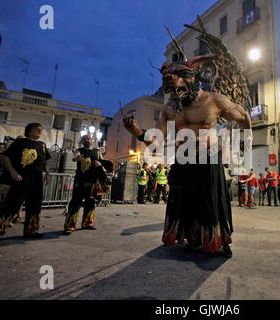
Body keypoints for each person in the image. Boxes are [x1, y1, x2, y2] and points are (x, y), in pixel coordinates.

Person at [123, 54, 251, 258]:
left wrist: (243, 139)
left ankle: (218, 241)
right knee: (184, 202)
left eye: (179, 87)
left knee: (212, 203)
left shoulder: (214, 100)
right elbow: (156, 142)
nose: (176, 94)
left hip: (209, 159)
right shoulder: (170, 110)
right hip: (184, 159)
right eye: (172, 90)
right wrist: (136, 131)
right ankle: (191, 239)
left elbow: (243, 116)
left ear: (193, 79)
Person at [0, 123, 51, 247]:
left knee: (35, 206)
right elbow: (4, 157)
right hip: (21, 179)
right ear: (29, 131)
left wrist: (47, 173)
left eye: (41, 129)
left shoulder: (42, 145)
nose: (40, 131)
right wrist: (13, 172)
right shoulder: (20, 143)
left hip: (36, 180)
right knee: (11, 206)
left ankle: (31, 231)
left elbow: (45, 161)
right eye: (37, 129)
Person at [63, 134, 106, 235]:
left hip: (92, 182)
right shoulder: (79, 150)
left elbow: (102, 163)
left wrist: (101, 165)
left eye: (88, 139)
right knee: (75, 204)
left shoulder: (97, 151)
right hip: (80, 181)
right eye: (84, 139)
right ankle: (69, 226)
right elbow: (74, 157)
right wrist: (77, 158)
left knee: (90, 203)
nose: (87, 140)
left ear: (92, 140)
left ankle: (87, 223)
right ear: (82, 141)